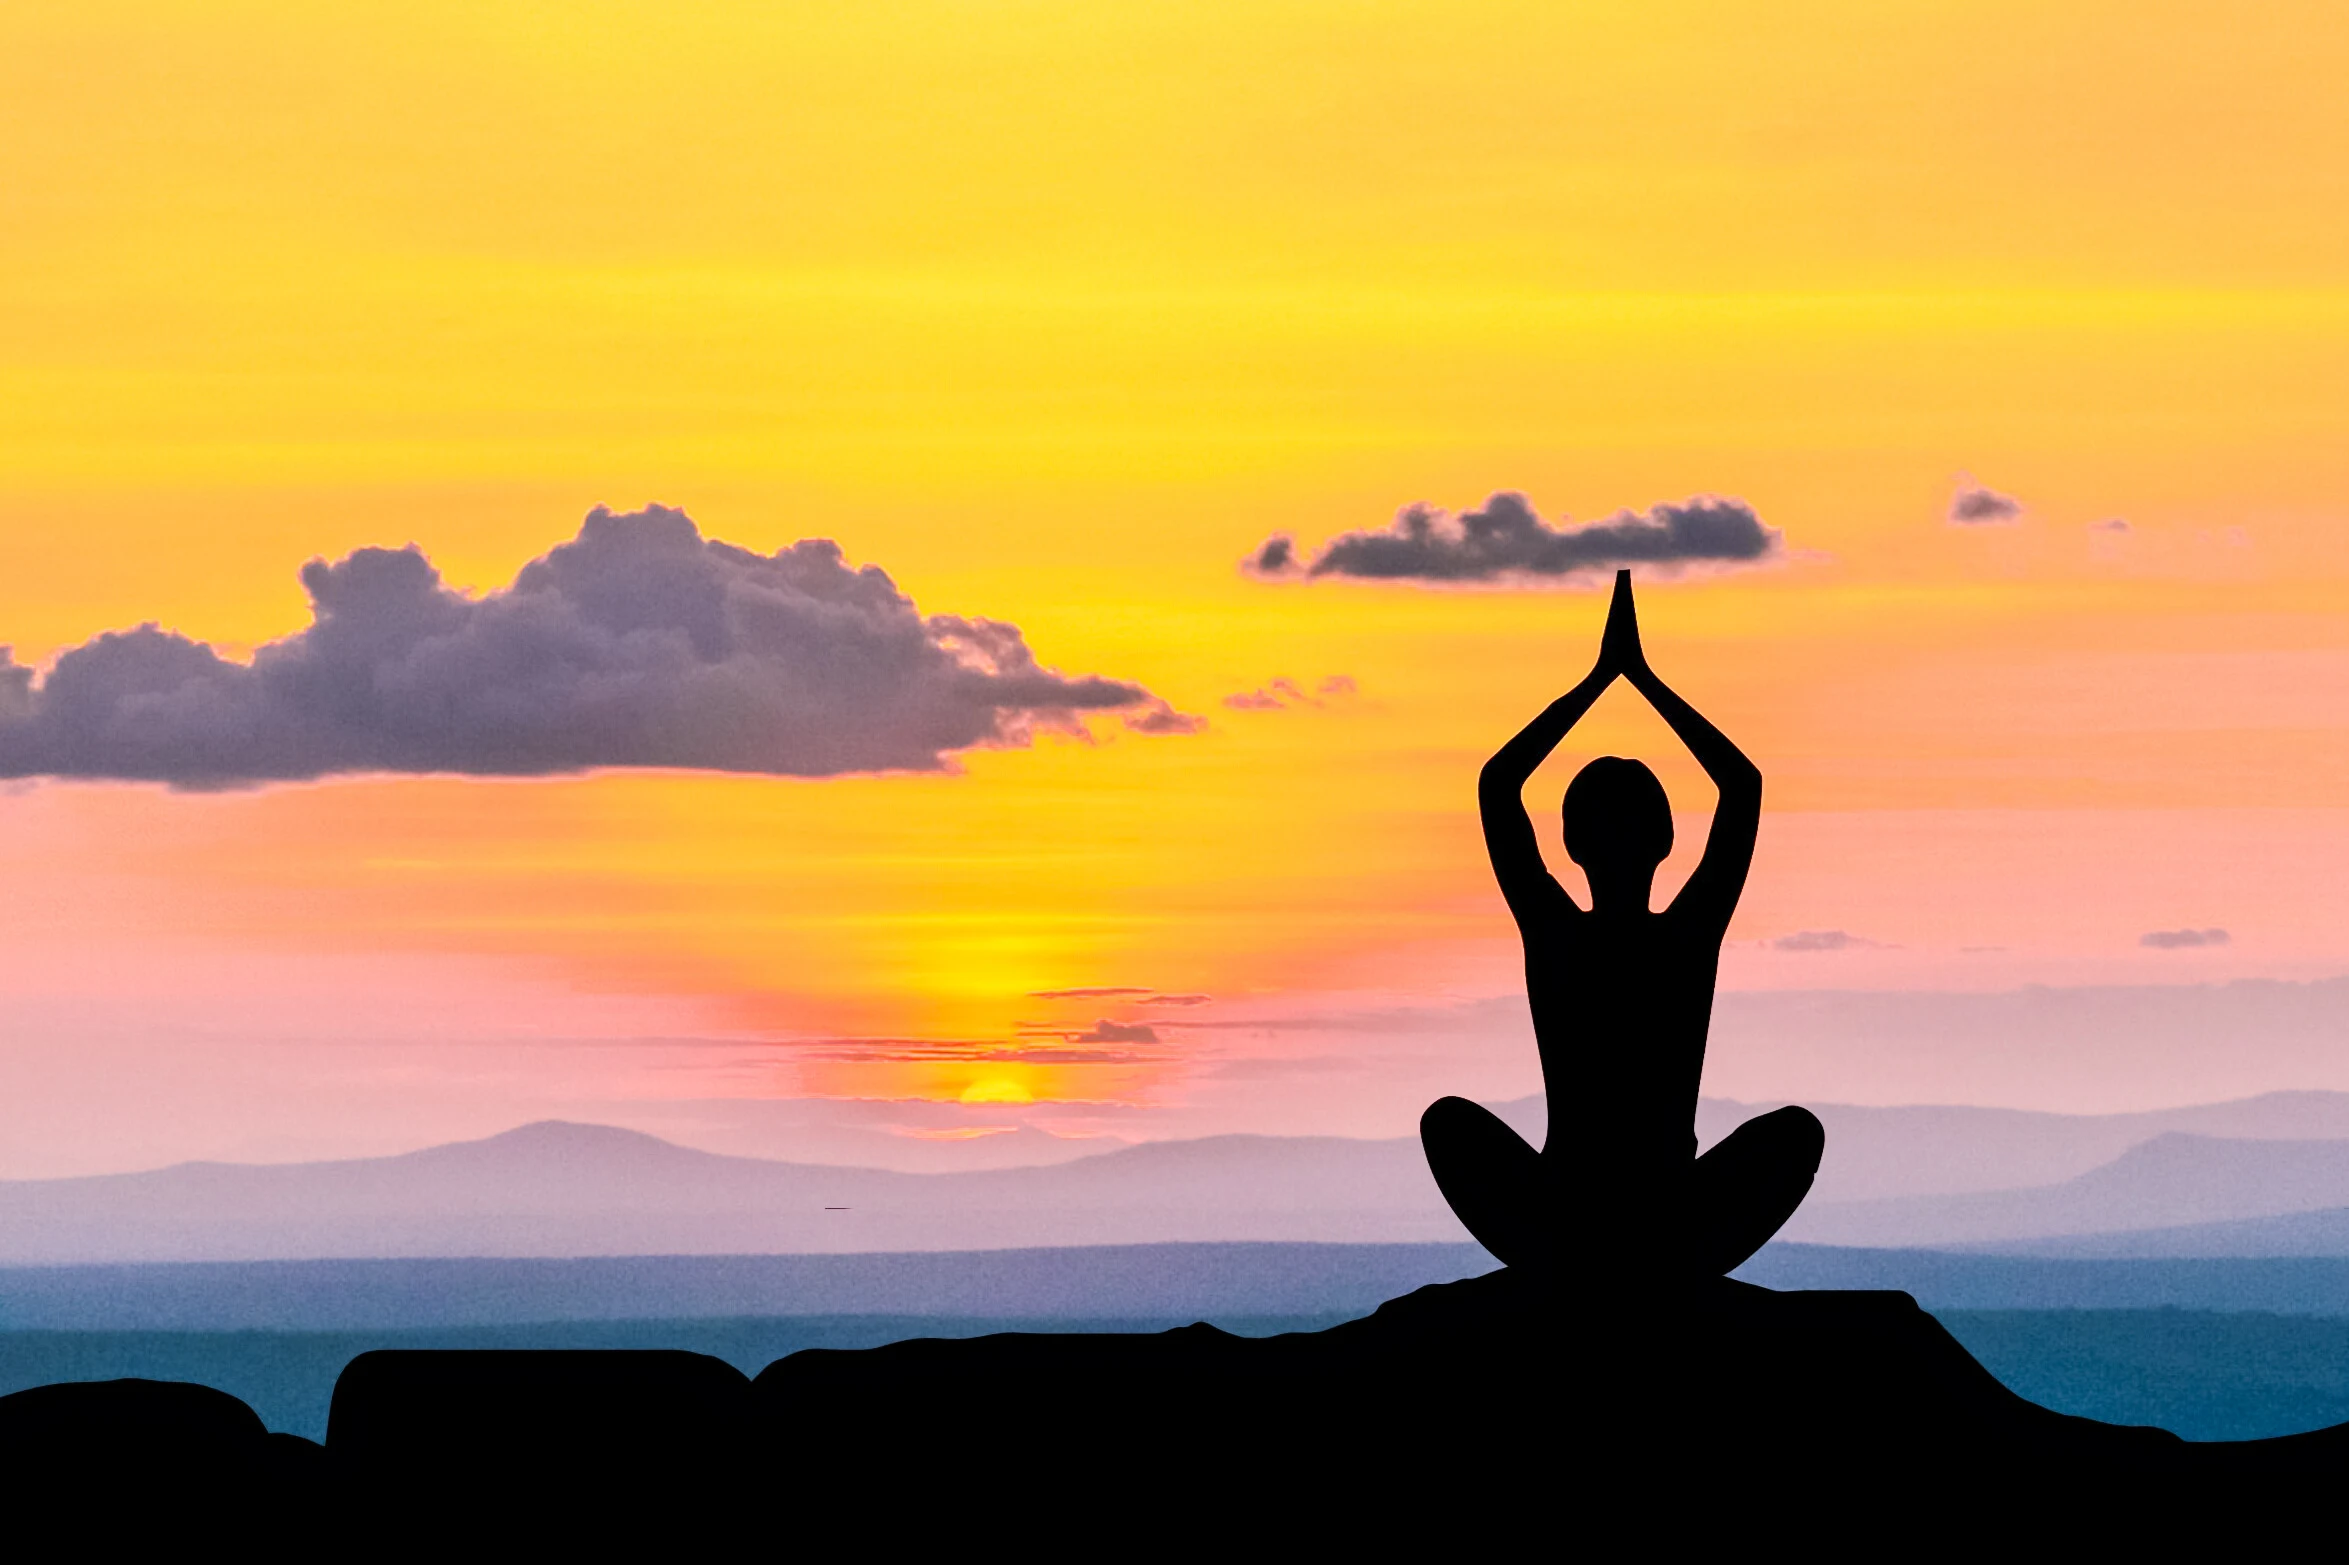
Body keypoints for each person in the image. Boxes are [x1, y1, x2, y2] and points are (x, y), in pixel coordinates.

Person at [1422, 569, 1822, 1278]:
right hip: (1661, 1214)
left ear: (1570, 844)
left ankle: (1582, 1267)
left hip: (1574, 1213)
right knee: (1794, 1135)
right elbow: (1741, 786)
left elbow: (1497, 783)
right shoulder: (1684, 935)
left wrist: (1603, 678)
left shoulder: (1556, 932)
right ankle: (1646, 1269)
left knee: (1447, 1124)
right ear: (1666, 840)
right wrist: (1635, 678)